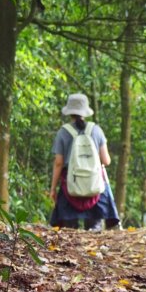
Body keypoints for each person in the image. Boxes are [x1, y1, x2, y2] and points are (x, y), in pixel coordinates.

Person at [49, 93, 121, 230]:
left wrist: (53, 188)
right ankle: (94, 233)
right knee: (95, 229)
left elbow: (58, 163)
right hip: (94, 186)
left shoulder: (63, 132)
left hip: (70, 186)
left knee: (69, 231)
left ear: (69, 112)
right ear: (85, 112)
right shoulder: (96, 130)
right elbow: (106, 160)